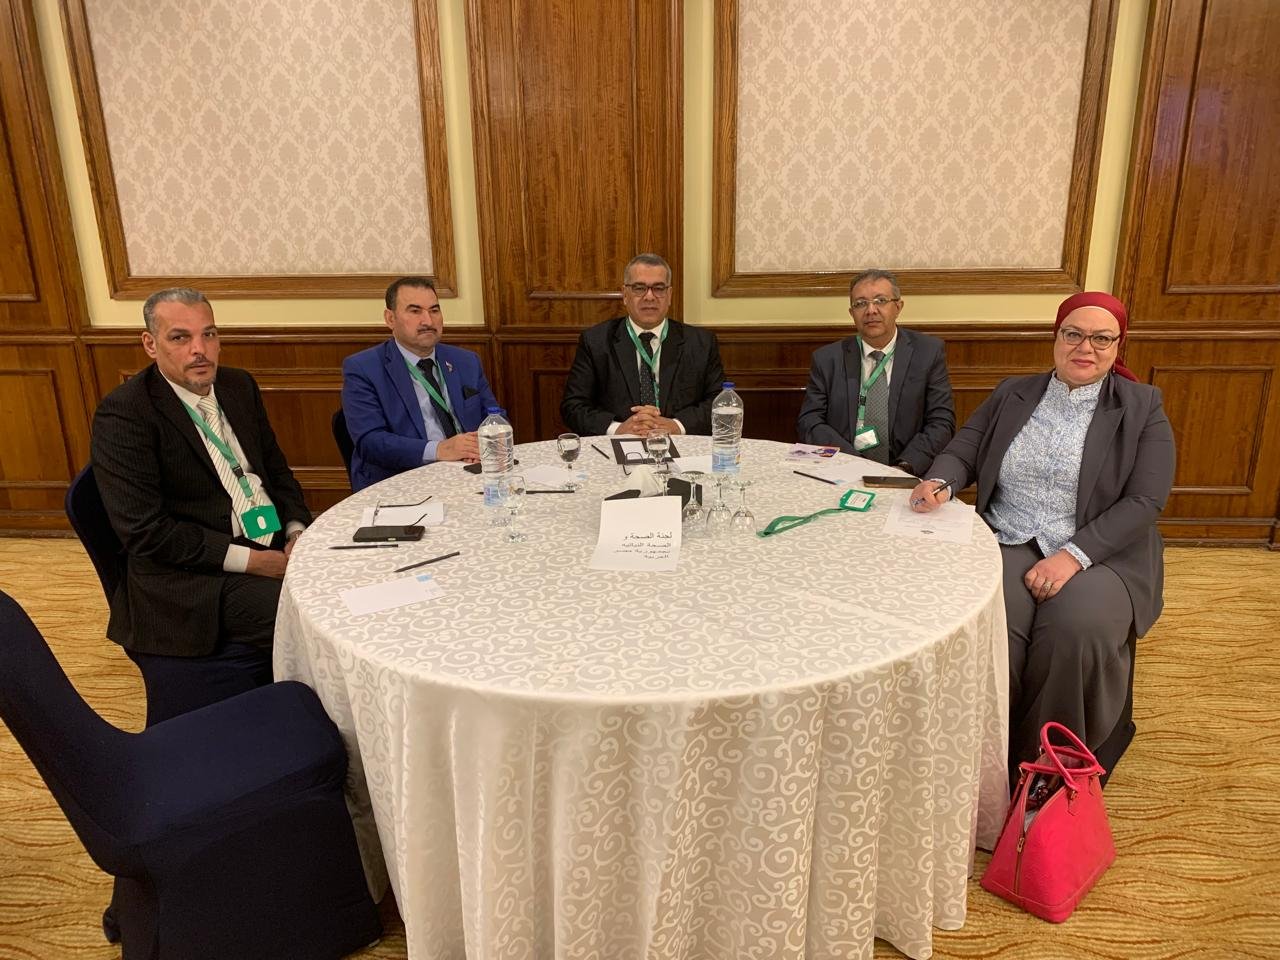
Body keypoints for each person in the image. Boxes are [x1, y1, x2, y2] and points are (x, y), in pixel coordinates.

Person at [910, 291, 1175, 779]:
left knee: (1075, 631)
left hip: (1101, 550)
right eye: (1073, 334)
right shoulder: (1014, 392)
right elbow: (966, 447)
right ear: (1056, 337)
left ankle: (1050, 767)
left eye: (1101, 338)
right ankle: (990, 764)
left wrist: (1073, 556)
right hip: (1011, 535)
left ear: (1118, 345)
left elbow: (1145, 500)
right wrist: (941, 480)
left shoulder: (1143, 407)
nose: (1085, 347)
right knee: (996, 627)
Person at [91, 288, 311, 713]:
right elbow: (147, 533)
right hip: (195, 575)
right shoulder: (126, 414)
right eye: (180, 337)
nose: (200, 350)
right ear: (150, 344)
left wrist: (296, 531)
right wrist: (255, 562)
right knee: (307, 616)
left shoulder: (237, 386)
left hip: (270, 541)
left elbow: (277, 473)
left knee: (352, 575)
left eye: (208, 334)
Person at [342, 277, 499, 491]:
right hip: (402, 481)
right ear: (390, 318)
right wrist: (440, 450)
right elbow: (370, 442)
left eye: (434, 310)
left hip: (469, 473)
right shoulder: (363, 368)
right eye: (415, 311)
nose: (428, 321)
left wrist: (482, 444)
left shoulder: (466, 361)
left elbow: (495, 416)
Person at [796, 269, 954, 475]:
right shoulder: (827, 359)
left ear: (898, 307)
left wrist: (903, 467)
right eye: (860, 303)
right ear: (852, 313)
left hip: (907, 470)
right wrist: (853, 463)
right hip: (844, 468)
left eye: (880, 300)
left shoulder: (928, 352)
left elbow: (941, 422)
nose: (871, 310)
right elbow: (810, 421)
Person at [561, 254, 725, 437]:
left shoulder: (701, 343)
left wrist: (677, 425)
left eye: (659, 288)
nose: (649, 296)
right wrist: (617, 428)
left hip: (679, 443)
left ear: (669, 295)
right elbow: (573, 406)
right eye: (639, 288)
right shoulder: (595, 342)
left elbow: (720, 402)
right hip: (618, 444)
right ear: (625, 295)